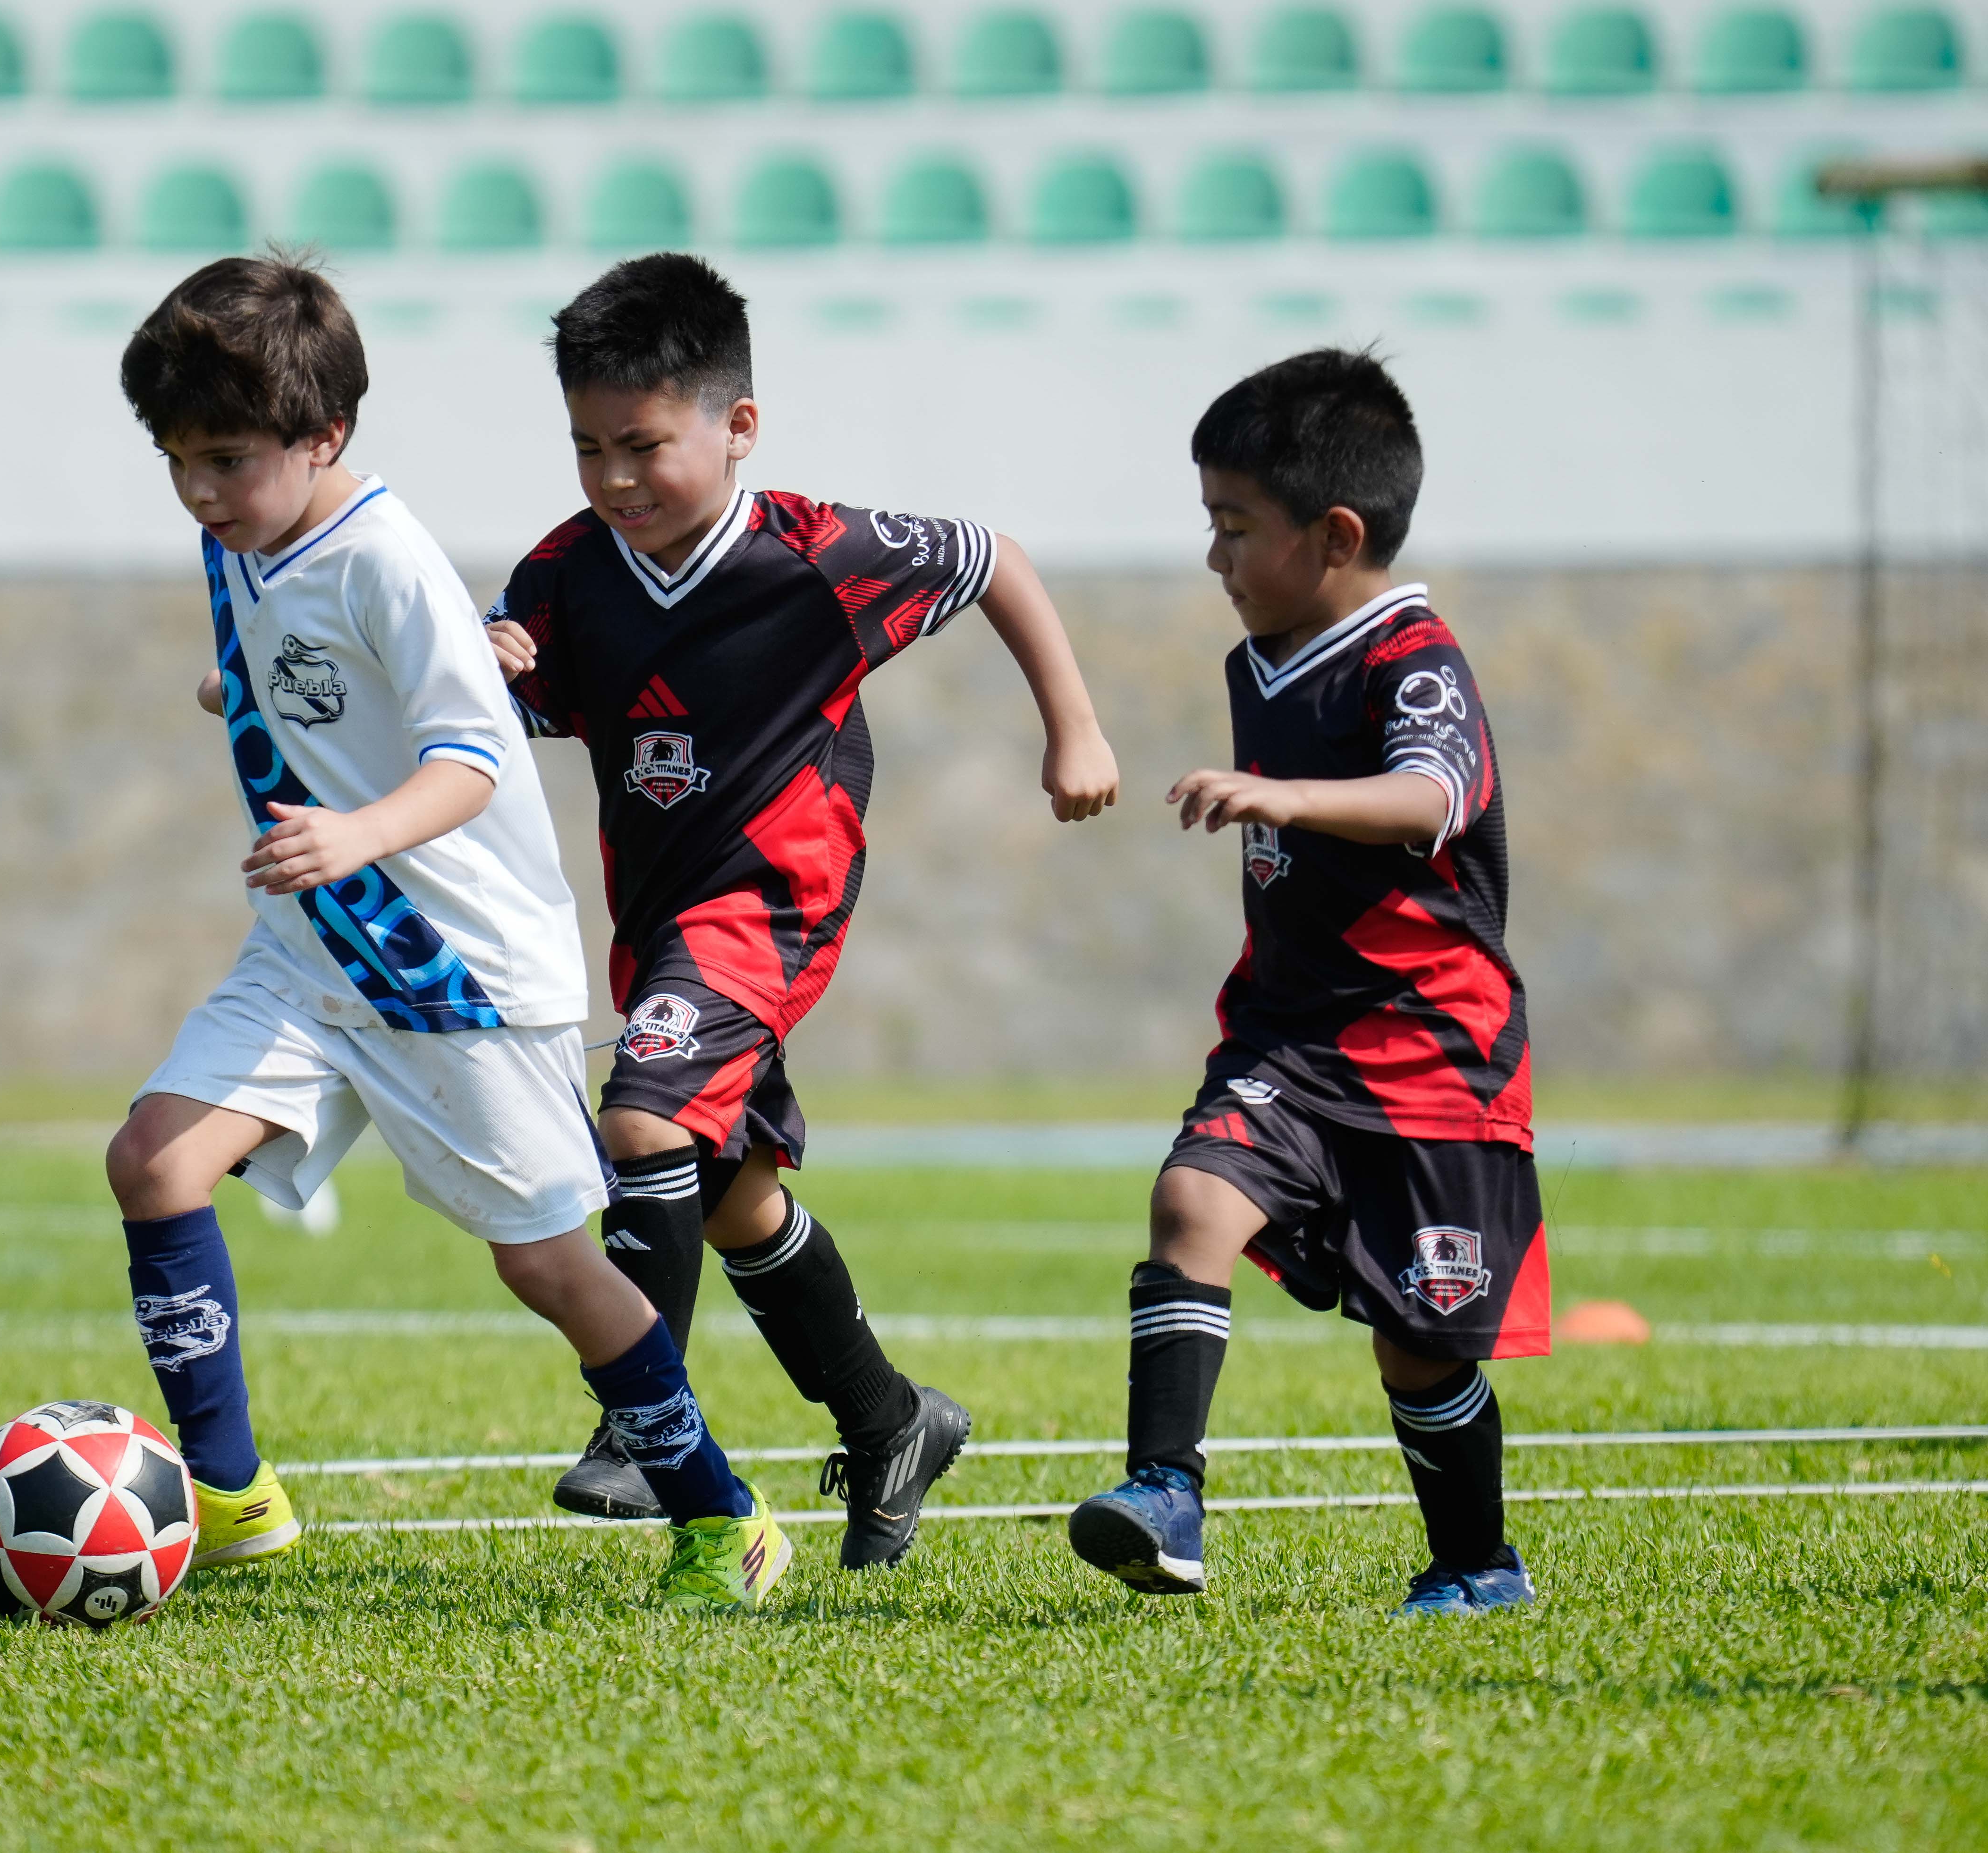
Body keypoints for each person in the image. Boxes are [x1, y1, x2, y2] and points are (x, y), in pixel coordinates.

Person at [106, 254, 789, 1611]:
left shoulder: (389, 562)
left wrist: (357, 831)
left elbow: (474, 756)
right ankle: (234, 1503)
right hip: (309, 954)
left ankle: (724, 1517)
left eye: (224, 460)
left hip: (451, 977)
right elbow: (290, 665)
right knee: (152, 1164)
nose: (196, 489)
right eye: (176, 460)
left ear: (323, 439)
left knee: (544, 1264)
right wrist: (241, 691)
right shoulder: (243, 533)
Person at [486, 253, 1122, 1567]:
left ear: (739, 429)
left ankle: (633, 1424)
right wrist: (471, 670)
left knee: (643, 1119)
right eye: (587, 447)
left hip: (771, 903)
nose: (612, 479)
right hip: (656, 920)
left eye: (643, 446)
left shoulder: (819, 556)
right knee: (728, 1194)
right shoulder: (567, 573)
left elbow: (993, 557)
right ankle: (891, 1423)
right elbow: (477, 707)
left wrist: (1075, 726)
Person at [1066, 348, 1545, 1617]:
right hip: (1288, 1042)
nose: (1215, 557)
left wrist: (1289, 797)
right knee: (1192, 1201)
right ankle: (1165, 1492)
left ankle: (1477, 1562)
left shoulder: (1415, 659)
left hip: (1434, 1055)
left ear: (1335, 535)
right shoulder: (1260, 660)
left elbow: (1432, 797)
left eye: (1235, 527)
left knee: (1423, 1346)